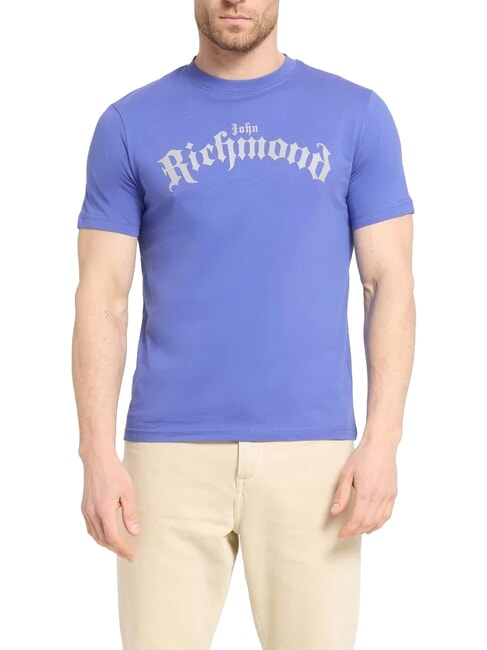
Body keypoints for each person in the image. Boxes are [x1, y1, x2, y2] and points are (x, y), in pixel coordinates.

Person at [72, 1, 415, 648]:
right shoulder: (129, 124)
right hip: (166, 459)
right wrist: (95, 452)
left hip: (315, 459)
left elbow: (388, 282)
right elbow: (102, 298)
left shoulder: (356, 116)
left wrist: (382, 441)